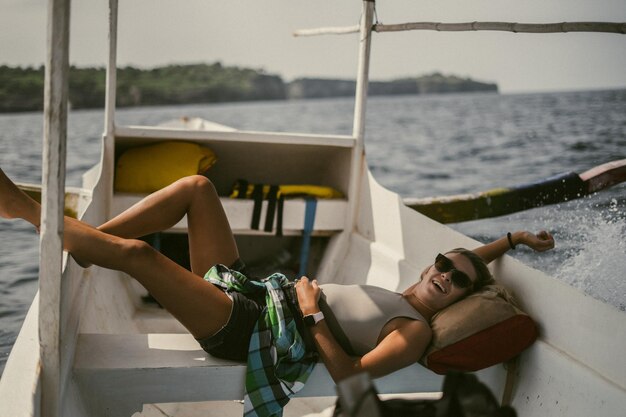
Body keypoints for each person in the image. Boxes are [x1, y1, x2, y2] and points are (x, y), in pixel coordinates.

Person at [0, 170, 554, 404]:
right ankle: (84, 239)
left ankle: (25, 211)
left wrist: (312, 313)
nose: (444, 276)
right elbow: (466, 261)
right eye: (442, 265)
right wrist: (508, 239)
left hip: (247, 329)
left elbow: (351, 377)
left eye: (456, 281)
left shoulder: (409, 330)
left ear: (459, 298)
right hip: (252, 294)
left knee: (142, 257)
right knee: (198, 189)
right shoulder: (417, 288)